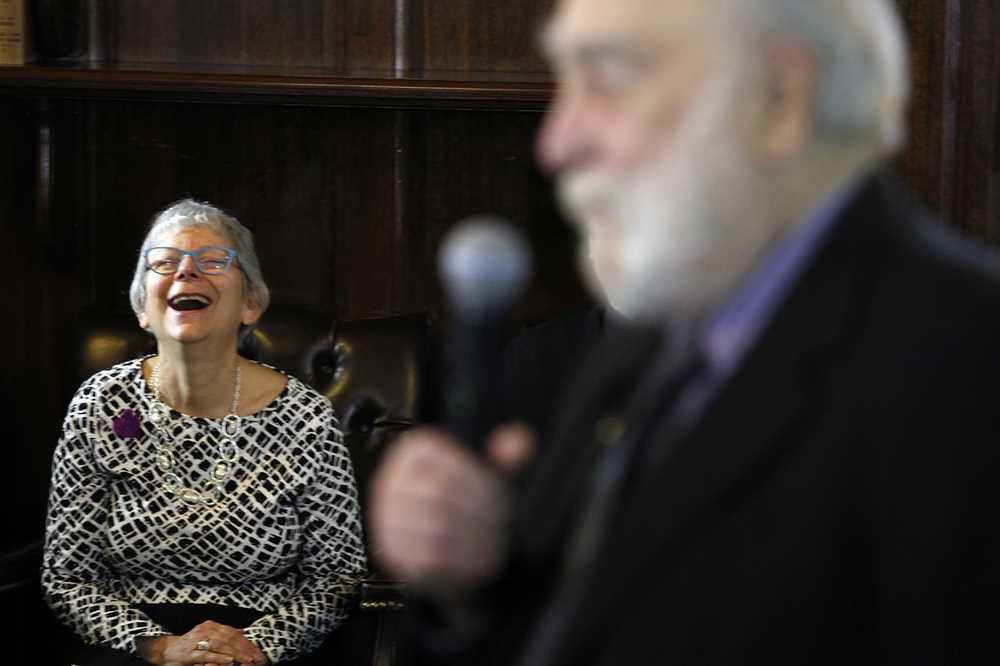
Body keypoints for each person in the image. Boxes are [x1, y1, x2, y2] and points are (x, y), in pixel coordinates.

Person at [369, 0, 1000, 664]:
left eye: (608, 80)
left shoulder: (968, 361)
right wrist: (469, 588)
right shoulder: (648, 342)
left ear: (779, 98)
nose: (556, 141)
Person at [42, 200, 367, 665]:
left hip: (262, 641)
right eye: (165, 263)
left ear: (250, 303)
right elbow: (67, 577)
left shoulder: (305, 416)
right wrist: (157, 647)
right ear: (142, 308)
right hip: (130, 644)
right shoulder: (99, 404)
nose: (187, 273)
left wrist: (258, 645)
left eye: (213, 262)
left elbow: (337, 577)